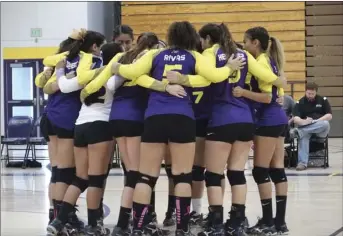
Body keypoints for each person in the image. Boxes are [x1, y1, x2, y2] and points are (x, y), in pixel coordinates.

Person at [109, 21, 246, 236]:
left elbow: (132, 72)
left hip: (154, 118)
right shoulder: (195, 56)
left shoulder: (156, 55)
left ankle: (138, 227)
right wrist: (229, 68)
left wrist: (116, 66)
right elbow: (214, 77)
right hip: (183, 118)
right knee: (183, 176)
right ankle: (182, 228)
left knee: (145, 176)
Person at [167, 23, 286, 236]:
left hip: (222, 120)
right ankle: (238, 221)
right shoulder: (243, 54)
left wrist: (182, 79)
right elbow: (265, 75)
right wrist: (280, 82)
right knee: (237, 173)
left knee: (213, 174)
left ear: (208, 39)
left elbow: (207, 78)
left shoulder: (209, 54)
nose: (201, 44)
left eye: (202, 40)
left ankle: (216, 223)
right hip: (245, 120)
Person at [236, 26, 289, 235]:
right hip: (278, 118)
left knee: (260, 170)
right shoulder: (271, 61)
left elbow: (267, 96)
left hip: (268, 119)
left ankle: (268, 222)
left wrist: (243, 92)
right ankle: (279, 223)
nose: (245, 45)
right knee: (277, 169)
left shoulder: (260, 61)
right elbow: (276, 89)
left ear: (255, 43)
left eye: (246, 41)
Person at [291, 82, 332, 171]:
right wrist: (304, 122)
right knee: (304, 136)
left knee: (325, 124)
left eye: (312, 94)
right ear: (305, 92)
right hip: (306, 125)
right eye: (308, 93)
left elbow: (329, 115)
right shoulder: (300, 103)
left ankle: (299, 132)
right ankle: (302, 164)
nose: (310, 95)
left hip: (320, 128)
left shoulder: (323, 100)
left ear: (316, 92)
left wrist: (316, 121)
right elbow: (296, 119)